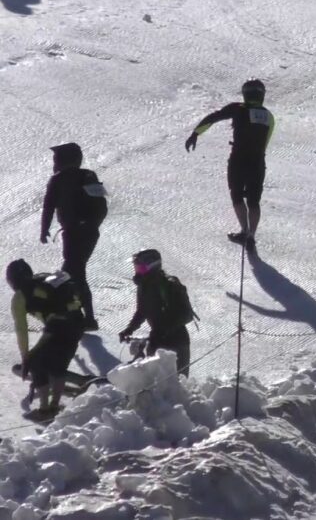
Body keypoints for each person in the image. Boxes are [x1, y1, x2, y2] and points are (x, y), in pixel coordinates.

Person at [184, 79, 275, 255]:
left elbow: (213, 117)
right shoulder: (268, 116)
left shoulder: (238, 108)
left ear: (245, 94)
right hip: (257, 162)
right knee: (254, 201)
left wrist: (195, 133)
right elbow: (266, 141)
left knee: (237, 195)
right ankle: (251, 236)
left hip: (238, 159)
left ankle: (244, 231)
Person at [41, 142, 108, 332]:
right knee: (74, 272)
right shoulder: (88, 176)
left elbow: (48, 206)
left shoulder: (58, 180)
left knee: (72, 273)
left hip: (74, 233)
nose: (54, 163)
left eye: (56, 159)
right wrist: (90, 225)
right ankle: (79, 316)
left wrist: (44, 229)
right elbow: (102, 206)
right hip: (87, 232)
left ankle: (82, 318)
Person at [6, 259, 85, 417]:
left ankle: (44, 410)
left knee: (36, 363)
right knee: (58, 367)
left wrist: (26, 357)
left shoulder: (19, 297)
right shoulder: (45, 281)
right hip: (77, 323)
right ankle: (54, 406)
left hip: (58, 326)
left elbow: (21, 330)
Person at [117, 250, 194, 376]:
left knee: (176, 380)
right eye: (136, 267)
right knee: (154, 379)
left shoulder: (169, 285)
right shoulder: (143, 285)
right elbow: (142, 311)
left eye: (140, 268)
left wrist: (165, 329)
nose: (137, 271)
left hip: (177, 341)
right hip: (157, 339)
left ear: (151, 267)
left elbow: (186, 314)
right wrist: (129, 329)